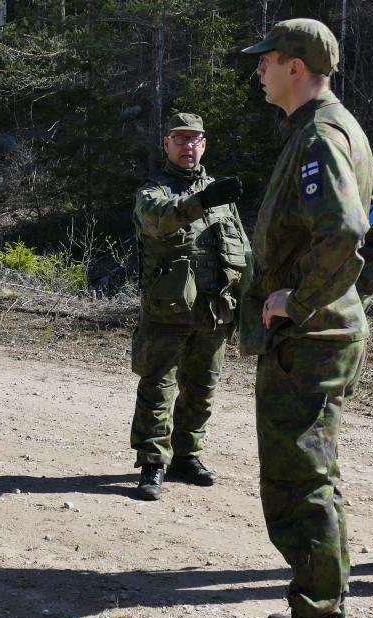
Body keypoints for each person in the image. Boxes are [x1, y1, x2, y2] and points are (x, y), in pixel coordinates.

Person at [233, 18, 373, 618]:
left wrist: (305, 301)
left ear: (296, 67)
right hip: (323, 334)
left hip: (307, 341)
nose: (260, 72)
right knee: (316, 480)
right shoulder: (336, 130)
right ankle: (324, 616)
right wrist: (350, 300)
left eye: (267, 61)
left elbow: (345, 232)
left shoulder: (321, 138)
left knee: (296, 486)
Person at [129, 113, 248, 501]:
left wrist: (251, 298)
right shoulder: (154, 192)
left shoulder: (220, 194)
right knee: (158, 387)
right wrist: (201, 201)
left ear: (204, 144)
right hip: (167, 313)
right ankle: (151, 463)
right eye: (179, 139)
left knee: (202, 388)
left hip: (214, 312)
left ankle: (187, 457)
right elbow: (159, 221)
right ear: (166, 145)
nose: (187, 146)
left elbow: (242, 249)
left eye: (194, 139)